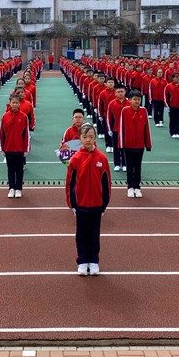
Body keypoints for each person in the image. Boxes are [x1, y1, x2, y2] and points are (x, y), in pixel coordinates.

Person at [65, 122, 111, 276]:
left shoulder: (102, 158)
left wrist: (104, 204)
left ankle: (94, 261)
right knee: (82, 234)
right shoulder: (76, 159)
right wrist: (72, 204)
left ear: (95, 138)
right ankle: (83, 261)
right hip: (81, 205)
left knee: (94, 234)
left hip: (97, 205)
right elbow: (70, 183)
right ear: (80, 138)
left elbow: (107, 183)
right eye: (85, 137)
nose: (88, 140)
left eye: (91, 137)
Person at [118, 89, 152, 199]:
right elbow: (121, 128)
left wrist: (148, 144)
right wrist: (121, 144)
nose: (137, 102)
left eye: (139, 99)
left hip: (140, 145)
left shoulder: (144, 111)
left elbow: (147, 128)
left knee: (138, 167)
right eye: (134, 99)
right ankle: (130, 187)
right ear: (130, 100)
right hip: (128, 145)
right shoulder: (125, 111)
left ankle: (137, 187)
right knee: (129, 167)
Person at [0, 93, 30, 199]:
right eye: (13, 102)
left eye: (17, 102)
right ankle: (11, 188)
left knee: (19, 170)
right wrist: (1, 148)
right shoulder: (5, 116)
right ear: (10, 103)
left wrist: (26, 148)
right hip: (8, 149)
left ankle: (19, 189)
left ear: (19, 104)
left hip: (20, 149)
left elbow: (27, 134)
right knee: (10, 169)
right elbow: (1, 133)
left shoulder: (24, 117)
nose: (15, 104)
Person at [164, 72, 179, 139]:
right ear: (172, 78)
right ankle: (172, 132)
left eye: (178, 77)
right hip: (172, 106)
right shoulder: (168, 86)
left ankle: (177, 132)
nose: (177, 78)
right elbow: (165, 96)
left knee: (178, 119)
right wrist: (167, 105)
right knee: (172, 119)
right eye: (176, 77)